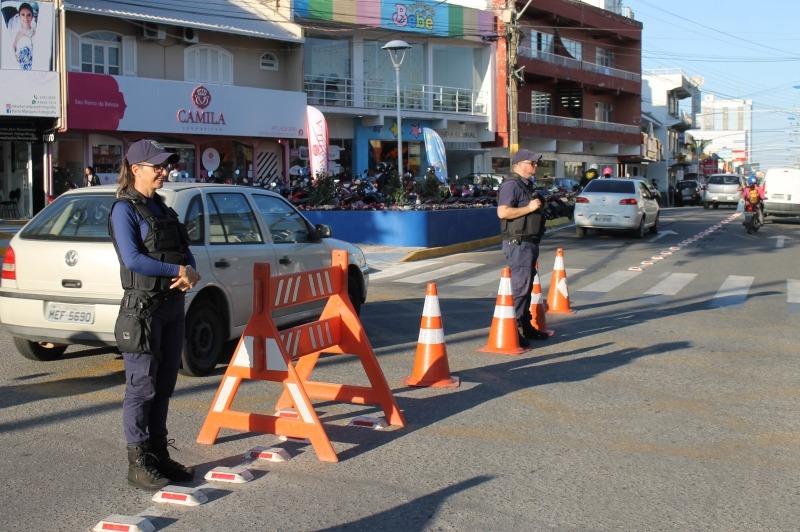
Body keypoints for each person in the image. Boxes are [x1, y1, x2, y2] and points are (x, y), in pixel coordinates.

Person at [108, 139, 201, 491]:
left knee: (164, 387)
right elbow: (132, 259)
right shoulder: (124, 209)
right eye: (157, 166)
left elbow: (185, 249)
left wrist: (189, 269)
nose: (165, 171)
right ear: (136, 170)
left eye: (166, 166)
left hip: (171, 307)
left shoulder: (163, 208)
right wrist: (178, 268)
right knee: (141, 389)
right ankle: (138, 462)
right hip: (142, 310)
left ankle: (159, 454)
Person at [497, 149, 549, 347]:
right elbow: (503, 212)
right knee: (520, 288)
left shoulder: (526, 185)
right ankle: (513, 329)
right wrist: (529, 208)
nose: (535, 167)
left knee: (526, 287)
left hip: (529, 242)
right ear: (519, 164)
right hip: (518, 243)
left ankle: (526, 327)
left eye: (535, 163)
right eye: (531, 163)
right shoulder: (511, 185)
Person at [12, 3, 35, 70]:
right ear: (19, 16)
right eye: (23, 15)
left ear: (32, 16)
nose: (26, 18)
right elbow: (12, 53)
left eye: (28, 15)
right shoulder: (17, 34)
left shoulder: (36, 32)